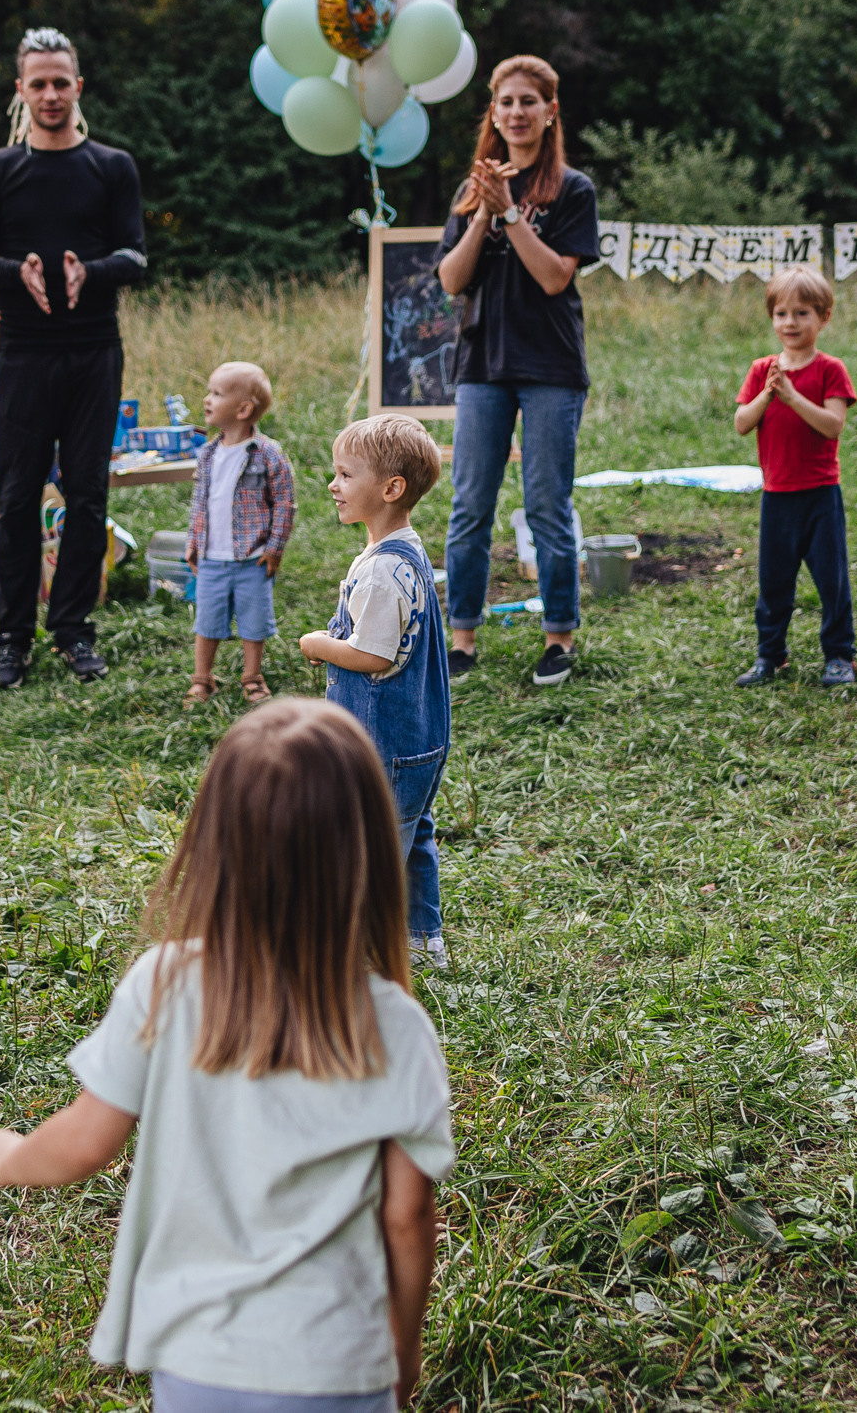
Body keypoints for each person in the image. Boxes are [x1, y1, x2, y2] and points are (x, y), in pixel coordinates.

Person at [0, 699, 453, 1413]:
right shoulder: (399, 1028)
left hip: (198, 1362)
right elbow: (407, 1214)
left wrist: (4, 1158)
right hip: (339, 1363)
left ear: (214, 845)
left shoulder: (164, 985)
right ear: (369, 851)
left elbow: (86, 1142)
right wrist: (402, 1353)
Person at [0, 27, 148, 690]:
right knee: (16, 501)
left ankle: (73, 629)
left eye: (60, 82)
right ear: (21, 89)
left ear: (78, 87)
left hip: (95, 352)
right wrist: (18, 272)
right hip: (22, 355)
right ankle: (12, 640)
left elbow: (135, 255)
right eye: (38, 83)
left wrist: (87, 273)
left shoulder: (112, 166)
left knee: (87, 495)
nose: (50, 94)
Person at [435, 54, 601, 688]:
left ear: (550, 111)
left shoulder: (572, 189)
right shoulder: (472, 190)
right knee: (469, 504)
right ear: (494, 111)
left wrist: (510, 212)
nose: (516, 112)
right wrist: (483, 211)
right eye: (506, 101)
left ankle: (559, 637)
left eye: (529, 101)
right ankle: (462, 638)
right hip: (482, 365)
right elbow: (452, 279)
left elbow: (555, 277)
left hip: (551, 365)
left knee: (546, 504)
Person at [302, 415, 453, 973]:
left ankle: (363, 953)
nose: (333, 485)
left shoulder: (382, 572)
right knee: (411, 842)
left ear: (391, 489)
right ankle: (421, 940)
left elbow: (373, 657)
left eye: (346, 475)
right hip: (420, 738)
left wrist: (320, 644)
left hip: (384, 744)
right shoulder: (405, 552)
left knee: (371, 850)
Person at [730, 268, 857, 688]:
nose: (790, 322)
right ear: (772, 318)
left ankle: (839, 655)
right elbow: (742, 423)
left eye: (802, 313)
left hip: (820, 495)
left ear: (823, 318)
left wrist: (792, 396)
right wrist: (768, 394)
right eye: (781, 313)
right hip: (777, 496)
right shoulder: (762, 370)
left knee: (831, 580)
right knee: (774, 582)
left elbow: (832, 426)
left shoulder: (831, 369)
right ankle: (770, 655)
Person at [184, 361, 294, 707]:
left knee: (254, 621)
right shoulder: (207, 454)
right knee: (207, 621)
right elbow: (199, 503)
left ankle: (252, 677)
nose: (207, 399)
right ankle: (202, 679)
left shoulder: (268, 454)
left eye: (217, 394)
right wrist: (193, 543)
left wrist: (274, 548)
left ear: (243, 409)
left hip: (252, 558)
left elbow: (284, 504)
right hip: (212, 557)